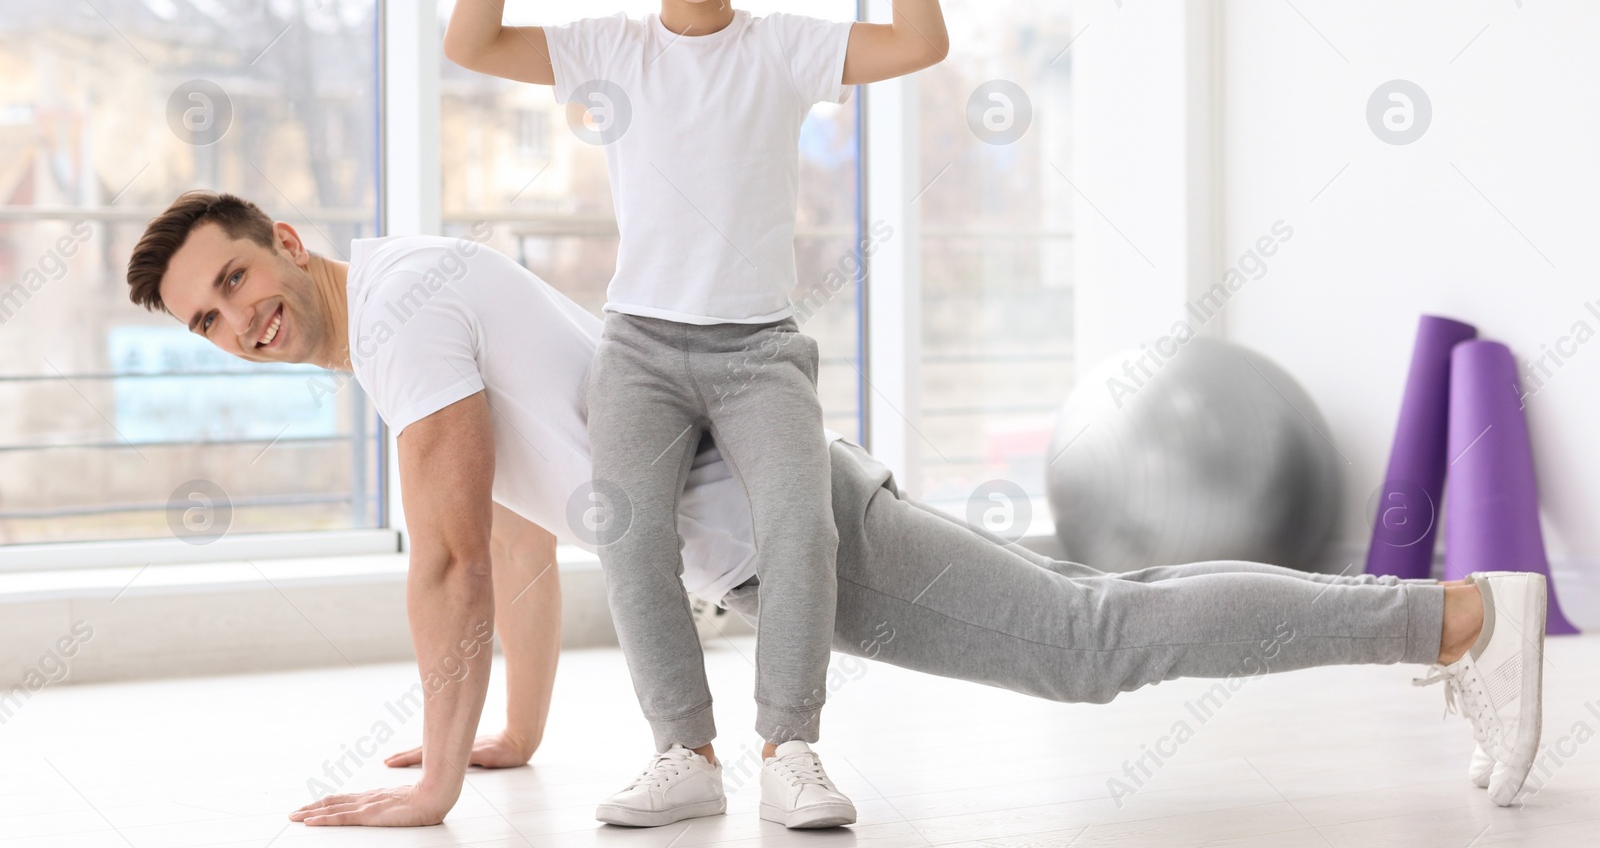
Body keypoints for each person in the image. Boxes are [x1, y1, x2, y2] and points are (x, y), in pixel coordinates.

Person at [124, 192, 1545, 830]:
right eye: (207, 319)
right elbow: (511, 531)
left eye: (239, 279)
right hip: (779, 498)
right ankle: (1450, 620)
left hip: (769, 522)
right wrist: (509, 735)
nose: (238, 317)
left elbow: (442, 559)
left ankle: (1459, 617)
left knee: (1091, 642)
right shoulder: (405, 299)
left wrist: (427, 784)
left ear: (284, 242)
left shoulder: (400, 314)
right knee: (1097, 617)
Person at [439, 0, 948, 829]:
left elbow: (922, 42)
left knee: (803, 530)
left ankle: (790, 748)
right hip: (640, 345)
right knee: (629, 538)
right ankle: (682, 751)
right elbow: (469, 42)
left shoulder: (784, 47)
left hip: (760, 349)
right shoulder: (608, 49)